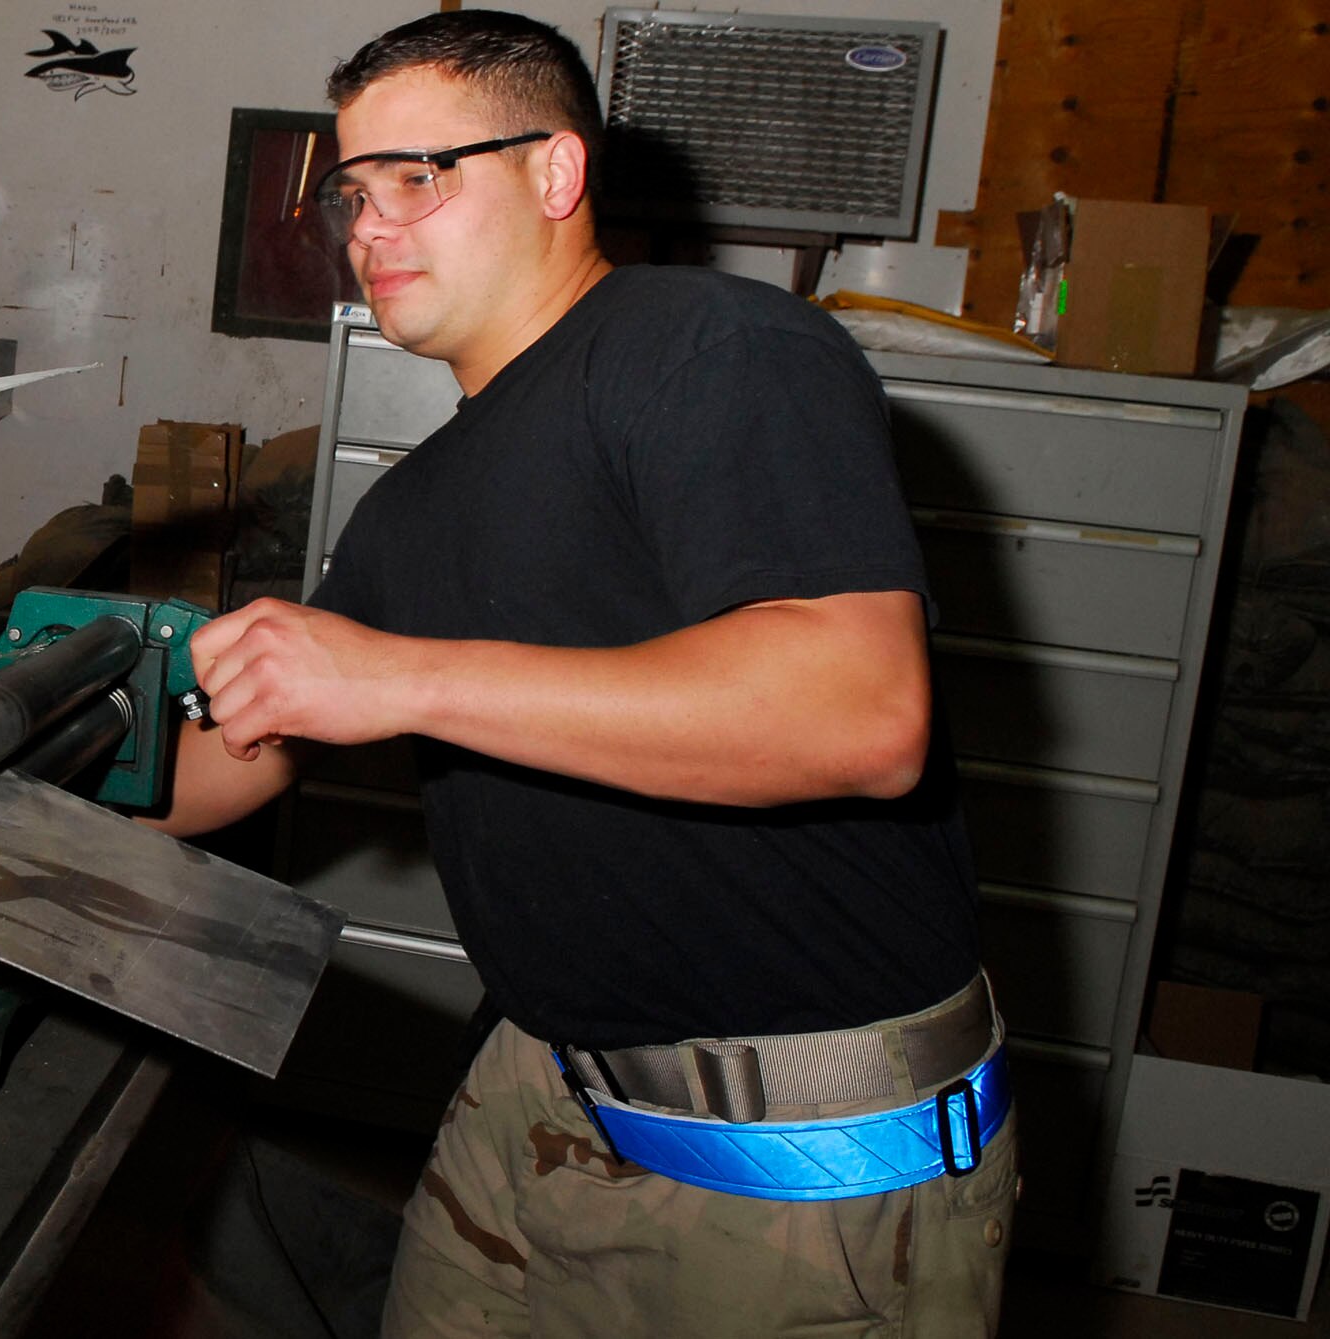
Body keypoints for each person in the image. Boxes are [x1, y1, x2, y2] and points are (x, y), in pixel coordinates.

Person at [150, 10, 1017, 1336]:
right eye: (351, 193)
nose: (369, 229)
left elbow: (858, 712)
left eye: (418, 179)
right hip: (539, 1094)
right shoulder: (416, 505)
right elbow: (226, 764)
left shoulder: (711, 351)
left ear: (556, 175)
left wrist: (404, 680)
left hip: (800, 1162)